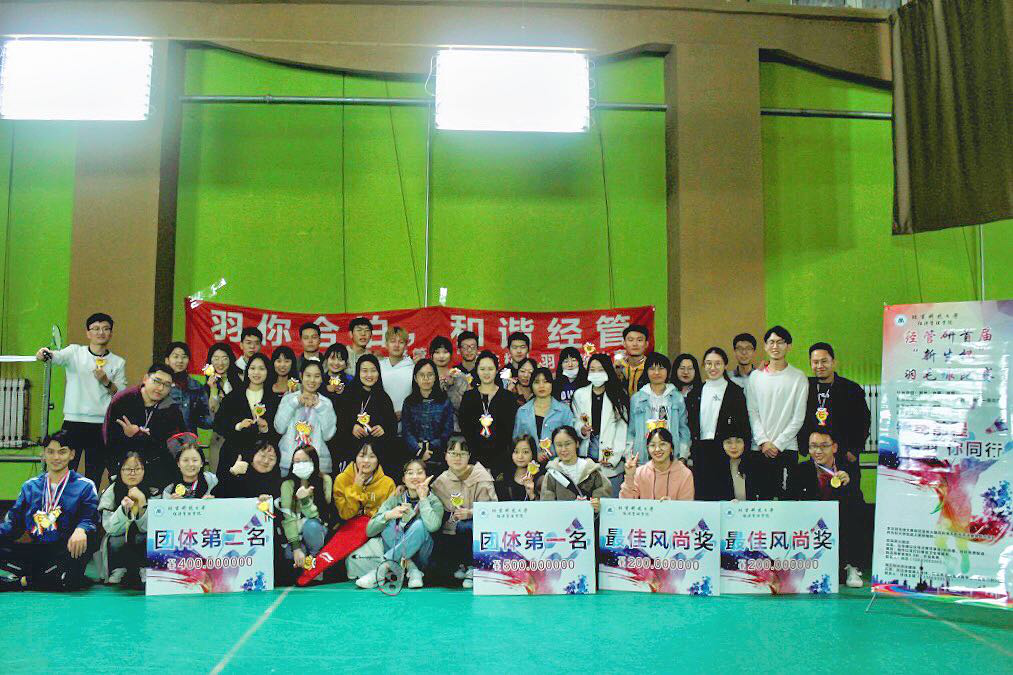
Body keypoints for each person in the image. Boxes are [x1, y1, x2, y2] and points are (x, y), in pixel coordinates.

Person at [35, 312, 127, 488]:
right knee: (65, 470)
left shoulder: (118, 362)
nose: (101, 332)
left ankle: (88, 504)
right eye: (96, 328)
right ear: (88, 333)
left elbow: (120, 395)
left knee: (95, 473)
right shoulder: (74, 352)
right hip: (73, 422)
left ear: (111, 333)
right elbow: (55, 356)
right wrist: (43, 353)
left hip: (101, 425)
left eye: (106, 329)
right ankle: (61, 504)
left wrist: (106, 382)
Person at [0, 431, 98, 591]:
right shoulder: (30, 486)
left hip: (66, 550)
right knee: (66, 579)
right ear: (43, 454)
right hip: (37, 549)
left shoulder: (84, 485)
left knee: (80, 552)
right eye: (50, 452)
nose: (56, 457)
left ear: (72, 454)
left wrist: (81, 529)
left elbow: (90, 518)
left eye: (62, 452)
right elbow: (13, 525)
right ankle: (44, 578)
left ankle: (19, 582)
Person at [296, 441, 395, 586]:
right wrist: (357, 487)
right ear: (355, 457)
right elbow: (346, 514)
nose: (366, 461)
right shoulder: (342, 479)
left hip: (376, 526)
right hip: (348, 526)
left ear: (378, 459)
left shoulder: (387, 483)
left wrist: (369, 515)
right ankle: (310, 575)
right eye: (362, 456)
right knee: (333, 560)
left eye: (372, 456)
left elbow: (386, 513)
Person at [788, 429, 868, 588]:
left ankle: (852, 566)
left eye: (824, 446)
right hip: (810, 525)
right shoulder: (799, 470)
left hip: (839, 523)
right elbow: (789, 501)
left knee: (858, 512)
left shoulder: (848, 468)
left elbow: (858, 500)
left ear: (834, 447)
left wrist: (848, 484)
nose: (817, 451)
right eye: (813, 446)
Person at [355, 459, 443, 589]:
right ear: (403, 479)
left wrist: (423, 499)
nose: (415, 477)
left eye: (419, 472)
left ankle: (383, 568)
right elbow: (370, 530)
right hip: (398, 560)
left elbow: (433, 526)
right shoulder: (395, 498)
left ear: (426, 477)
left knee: (420, 525)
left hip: (422, 557)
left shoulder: (434, 501)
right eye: (410, 473)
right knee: (388, 521)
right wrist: (388, 515)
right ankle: (412, 569)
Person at [746, 325, 808, 499]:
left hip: (787, 448)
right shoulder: (755, 377)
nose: (775, 346)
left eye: (780, 342)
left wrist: (778, 444)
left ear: (789, 346)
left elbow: (798, 417)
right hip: (760, 448)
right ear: (765, 346)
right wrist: (763, 441)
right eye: (771, 342)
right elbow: (752, 411)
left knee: (786, 500)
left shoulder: (798, 377)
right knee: (762, 500)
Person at [103, 364, 185, 488]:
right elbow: (109, 440)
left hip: (157, 473)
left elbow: (172, 446)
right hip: (126, 471)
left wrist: (138, 434)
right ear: (145, 379)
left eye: (167, 385)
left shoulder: (171, 409)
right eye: (157, 381)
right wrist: (114, 472)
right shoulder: (123, 400)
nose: (160, 388)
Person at [432, 437, 497, 588]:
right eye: (453, 453)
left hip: (477, 528)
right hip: (450, 531)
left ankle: (472, 567)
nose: (457, 458)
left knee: (465, 526)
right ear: (446, 455)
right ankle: (461, 565)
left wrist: (471, 513)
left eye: (462, 454)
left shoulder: (481, 476)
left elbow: (491, 508)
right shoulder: (440, 481)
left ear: (469, 456)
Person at [685, 347, 749, 496]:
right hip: (700, 451)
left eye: (717, 363)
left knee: (725, 496)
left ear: (725, 365)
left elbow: (743, 426)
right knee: (701, 497)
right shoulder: (695, 392)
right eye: (708, 363)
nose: (712, 368)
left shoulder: (735, 392)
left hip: (725, 453)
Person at [800, 342, 871, 475]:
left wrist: (854, 450)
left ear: (833, 362)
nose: (820, 366)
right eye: (815, 362)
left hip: (845, 454)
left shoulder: (851, 389)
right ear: (810, 364)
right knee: (816, 486)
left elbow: (863, 421)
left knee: (846, 486)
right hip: (815, 454)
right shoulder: (805, 386)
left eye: (824, 361)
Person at [213, 353, 279, 484]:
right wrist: (238, 426)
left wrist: (265, 428)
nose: (256, 372)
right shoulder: (233, 396)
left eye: (261, 369)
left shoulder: (274, 399)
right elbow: (218, 424)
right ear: (247, 371)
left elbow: (279, 431)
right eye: (252, 368)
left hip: (261, 459)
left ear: (268, 372)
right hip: (234, 453)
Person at [95, 451, 158, 588]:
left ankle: (144, 568)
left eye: (137, 469)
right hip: (118, 542)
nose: (132, 473)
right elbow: (109, 528)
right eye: (127, 469)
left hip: (143, 543)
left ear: (144, 470)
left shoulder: (154, 492)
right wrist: (123, 510)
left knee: (146, 538)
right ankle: (118, 568)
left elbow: (154, 528)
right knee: (115, 540)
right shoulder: (111, 491)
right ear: (120, 470)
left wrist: (142, 505)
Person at [571, 353, 630, 494]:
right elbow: (575, 421)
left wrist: (614, 457)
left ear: (608, 371)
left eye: (600, 370)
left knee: (610, 502)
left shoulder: (618, 395)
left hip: (611, 462)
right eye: (592, 370)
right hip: (587, 456)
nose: (596, 373)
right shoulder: (580, 394)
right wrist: (581, 430)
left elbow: (622, 429)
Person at [458, 351, 518, 479]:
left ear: (496, 371)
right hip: (473, 458)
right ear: (477, 370)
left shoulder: (507, 397)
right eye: (482, 369)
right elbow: (464, 427)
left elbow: (510, 429)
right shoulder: (469, 397)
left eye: (490, 369)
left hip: (501, 459)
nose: (486, 373)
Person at [337, 354, 398, 472]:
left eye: (373, 371)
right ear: (358, 372)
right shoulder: (347, 395)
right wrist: (351, 427)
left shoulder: (384, 398)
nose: (369, 375)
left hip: (378, 458)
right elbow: (339, 424)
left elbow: (392, 427)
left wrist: (383, 429)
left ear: (378, 373)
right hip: (351, 457)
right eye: (364, 371)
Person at [275, 360, 337, 474]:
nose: (312, 380)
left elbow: (328, 435)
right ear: (301, 376)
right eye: (308, 375)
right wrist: (295, 403)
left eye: (317, 376)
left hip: (317, 464)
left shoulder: (326, 403)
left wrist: (319, 407)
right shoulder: (289, 399)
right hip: (288, 462)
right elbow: (279, 428)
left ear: (321, 379)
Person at [627, 352, 691, 464]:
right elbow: (631, 431)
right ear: (646, 371)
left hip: (672, 458)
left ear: (668, 371)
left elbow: (683, 429)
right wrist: (630, 456)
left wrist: (683, 455)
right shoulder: (637, 399)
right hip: (643, 459)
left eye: (661, 368)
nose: (656, 372)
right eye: (652, 368)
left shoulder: (677, 398)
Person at [280, 445, 334, 574]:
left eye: (305, 461)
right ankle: (306, 569)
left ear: (314, 461)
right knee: (290, 554)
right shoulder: (287, 485)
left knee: (312, 526)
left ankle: (316, 561)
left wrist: (304, 500)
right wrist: (296, 547)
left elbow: (317, 516)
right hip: (296, 533)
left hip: (317, 530)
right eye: (297, 461)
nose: (301, 465)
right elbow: (288, 518)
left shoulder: (325, 480)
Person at [401, 359, 456, 473]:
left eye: (430, 375)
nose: (426, 379)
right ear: (415, 378)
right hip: (413, 456)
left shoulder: (444, 401)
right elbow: (406, 431)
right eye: (422, 375)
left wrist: (429, 446)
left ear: (435, 377)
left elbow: (447, 431)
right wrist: (419, 451)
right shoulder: (409, 402)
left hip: (439, 456)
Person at [540, 426, 612, 512]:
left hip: (588, 519)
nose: (563, 449)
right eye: (559, 445)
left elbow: (604, 502)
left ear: (577, 443)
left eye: (568, 444)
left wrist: (597, 507)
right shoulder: (552, 474)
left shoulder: (592, 470)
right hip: (562, 519)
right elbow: (547, 507)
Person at [513, 367, 573, 466]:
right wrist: (534, 454)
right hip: (529, 466)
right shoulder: (522, 411)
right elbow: (517, 441)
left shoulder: (564, 410)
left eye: (545, 382)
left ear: (552, 384)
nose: (541, 386)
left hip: (559, 464)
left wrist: (551, 453)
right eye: (537, 382)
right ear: (531, 385)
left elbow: (570, 440)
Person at [619, 427, 694, 500]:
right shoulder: (640, 473)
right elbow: (626, 503)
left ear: (671, 447)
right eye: (652, 445)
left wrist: (671, 505)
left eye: (662, 444)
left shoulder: (685, 474)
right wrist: (629, 476)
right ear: (648, 449)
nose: (657, 449)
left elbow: (687, 506)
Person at [204, 342, 243, 472]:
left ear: (230, 360)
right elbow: (213, 412)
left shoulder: (240, 380)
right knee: (215, 475)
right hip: (219, 437)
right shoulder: (208, 385)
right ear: (210, 362)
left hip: (238, 436)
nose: (220, 363)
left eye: (224, 358)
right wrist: (213, 389)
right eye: (216, 358)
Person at [164, 341, 214, 434]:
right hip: (163, 439)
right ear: (167, 360)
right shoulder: (161, 385)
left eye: (184, 357)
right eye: (176, 357)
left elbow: (206, 420)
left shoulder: (196, 386)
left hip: (189, 439)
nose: (180, 361)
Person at [697, 433, 761, 501]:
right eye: (728, 442)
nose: (733, 446)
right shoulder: (712, 469)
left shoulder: (756, 465)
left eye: (738, 441)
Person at [215, 439, 282, 502]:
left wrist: (269, 501)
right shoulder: (240, 470)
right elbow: (218, 494)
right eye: (263, 456)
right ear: (253, 454)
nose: (266, 461)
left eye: (271, 459)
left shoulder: (275, 481)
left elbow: (277, 504)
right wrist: (232, 473)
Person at [162, 434, 218, 498]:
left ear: (202, 463)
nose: (191, 464)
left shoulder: (212, 481)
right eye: (185, 460)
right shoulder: (169, 490)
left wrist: (213, 502)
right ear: (178, 464)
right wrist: (171, 502)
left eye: (195, 460)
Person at [379, 326, 415, 420]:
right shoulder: (378, 367)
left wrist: (406, 411)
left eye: (401, 342)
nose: (396, 345)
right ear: (386, 344)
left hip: (408, 420)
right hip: (382, 421)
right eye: (392, 341)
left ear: (406, 345)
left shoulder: (413, 367)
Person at [429, 336, 469, 417]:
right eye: (437, 352)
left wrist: (451, 387)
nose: (441, 356)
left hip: (455, 423)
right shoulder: (426, 378)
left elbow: (465, 407)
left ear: (451, 354)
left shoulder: (459, 377)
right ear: (431, 355)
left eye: (445, 352)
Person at [495, 435, 544, 502]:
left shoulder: (540, 479)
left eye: (525, 452)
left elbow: (545, 506)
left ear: (533, 453)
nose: (520, 456)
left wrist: (531, 494)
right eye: (516, 452)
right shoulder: (504, 477)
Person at [616, 324, 650, 396]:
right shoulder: (618, 367)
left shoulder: (651, 367)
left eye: (639, 340)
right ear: (624, 343)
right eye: (630, 340)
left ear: (646, 344)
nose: (635, 344)